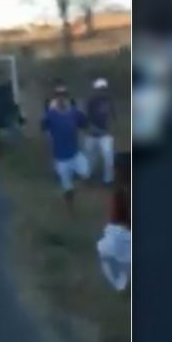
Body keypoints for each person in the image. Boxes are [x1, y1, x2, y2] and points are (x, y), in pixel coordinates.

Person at [41, 85, 89, 210]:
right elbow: (43, 127)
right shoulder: (51, 114)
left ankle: (75, 188)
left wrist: (81, 113)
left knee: (86, 173)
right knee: (67, 187)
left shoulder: (74, 112)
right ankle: (70, 207)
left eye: (63, 95)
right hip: (60, 158)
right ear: (56, 98)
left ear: (67, 97)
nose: (61, 98)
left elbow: (84, 124)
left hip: (75, 154)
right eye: (58, 96)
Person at [97, 151, 131, 291]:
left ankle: (121, 284)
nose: (114, 171)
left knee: (104, 248)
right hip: (121, 231)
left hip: (124, 233)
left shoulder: (124, 191)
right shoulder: (121, 189)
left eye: (116, 169)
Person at [84, 77, 116, 185]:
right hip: (92, 134)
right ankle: (88, 177)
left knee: (108, 158)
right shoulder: (91, 101)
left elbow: (113, 116)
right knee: (90, 159)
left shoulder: (108, 100)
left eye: (103, 88)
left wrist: (111, 129)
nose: (102, 90)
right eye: (100, 88)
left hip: (104, 134)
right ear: (96, 89)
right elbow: (87, 117)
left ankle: (108, 180)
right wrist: (90, 128)